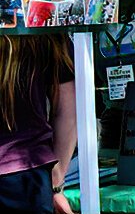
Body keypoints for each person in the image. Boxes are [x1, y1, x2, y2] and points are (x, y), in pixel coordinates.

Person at [0, 34, 75, 214]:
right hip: (28, 172)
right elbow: (68, 110)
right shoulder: (46, 28)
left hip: (27, 171)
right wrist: (56, 183)